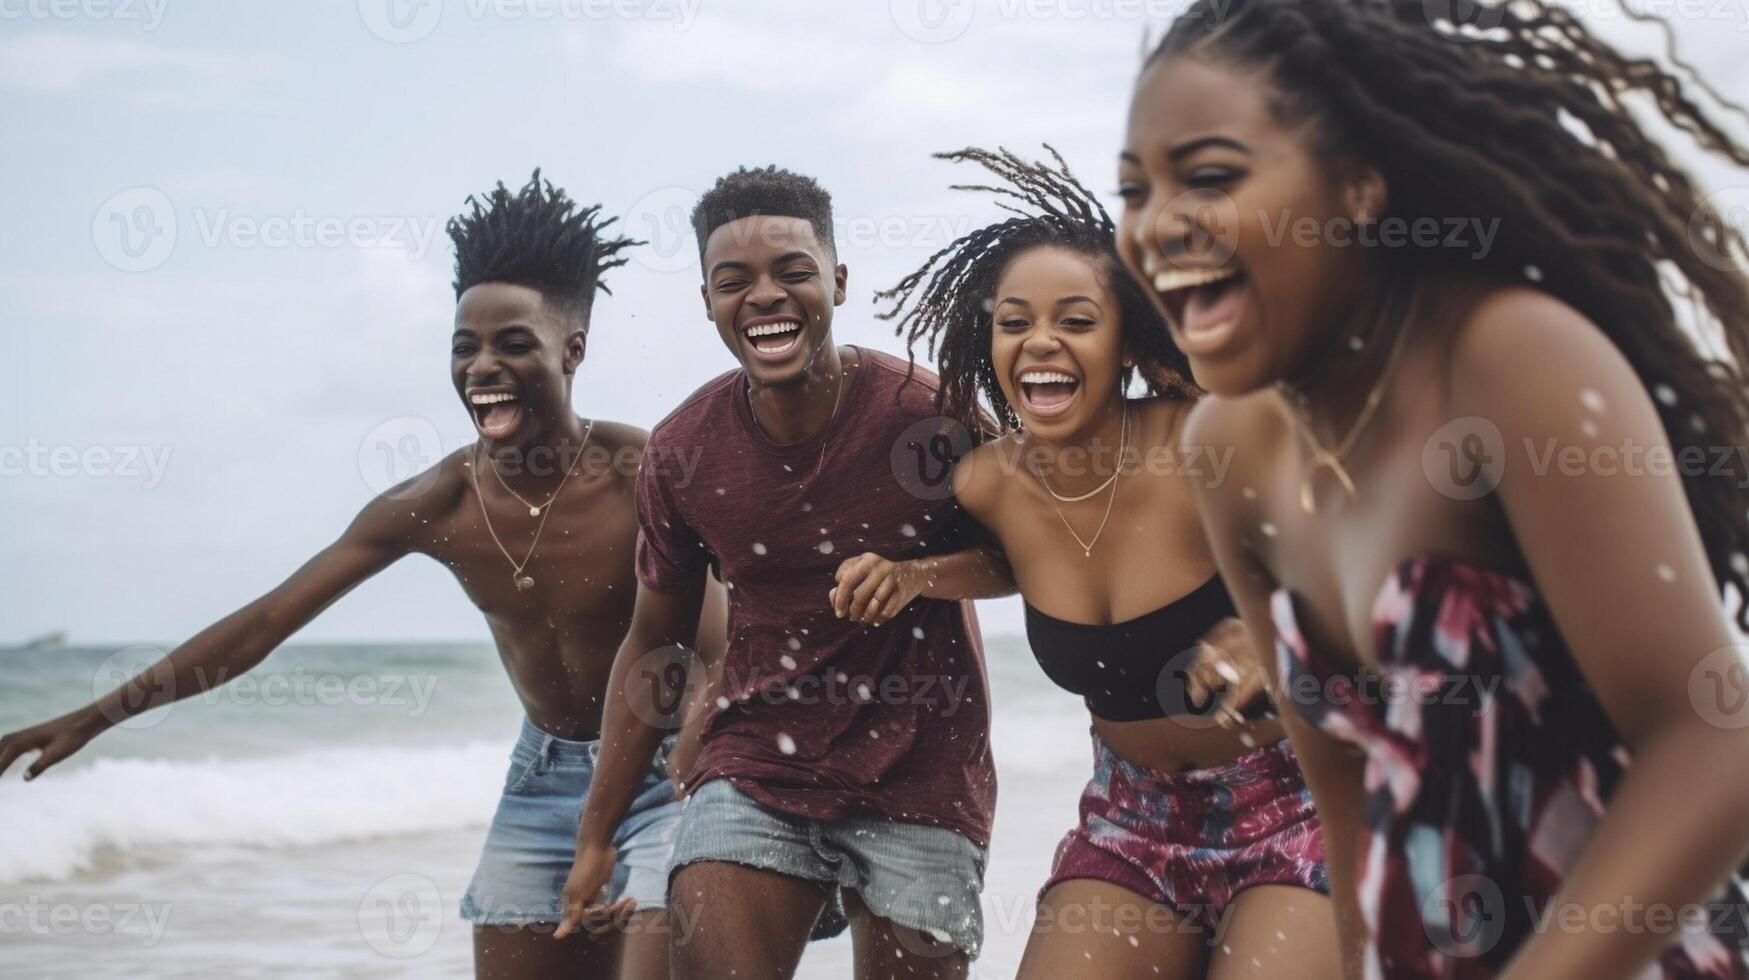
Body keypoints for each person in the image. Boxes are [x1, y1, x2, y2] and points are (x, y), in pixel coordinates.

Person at [1117, 1, 1749, 977]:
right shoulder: (1226, 448)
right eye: (1133, 191)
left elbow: (1710, 739)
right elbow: (1351, 803)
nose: (1157, 225)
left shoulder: (1504, 359)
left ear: (1359, 184)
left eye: (1209, 176)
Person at [0, 172, 726, 980]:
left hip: (675, 767)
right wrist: (93, 717)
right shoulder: (435, 504)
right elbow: (263, 625)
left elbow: (727, 640)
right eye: (464, 347)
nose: (482, 365)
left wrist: (692, 763)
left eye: (513, 343)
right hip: (543, 775)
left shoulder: (647, 472)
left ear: (572, 349)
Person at [871, 145, 1338, 980]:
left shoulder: (1205, 442)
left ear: (1126, 343)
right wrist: (915, 578)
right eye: (1014, 322)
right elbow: (1009, 565)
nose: (1040, 342)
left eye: (1077, 322)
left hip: (1297, 801)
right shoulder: (986, 484)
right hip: (1132, 822)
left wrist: (1277, 622)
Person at [556, 165, 1015, 980]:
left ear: (836, 281)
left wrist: (920, 575)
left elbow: (1021, 560)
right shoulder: (684, 449)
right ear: (706, 300)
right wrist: (596, 833)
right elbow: (653, 639)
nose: (765, 295)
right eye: (734, 281)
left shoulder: (930, 414)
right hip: (755, 764)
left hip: (924, 770)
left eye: (793, 273)